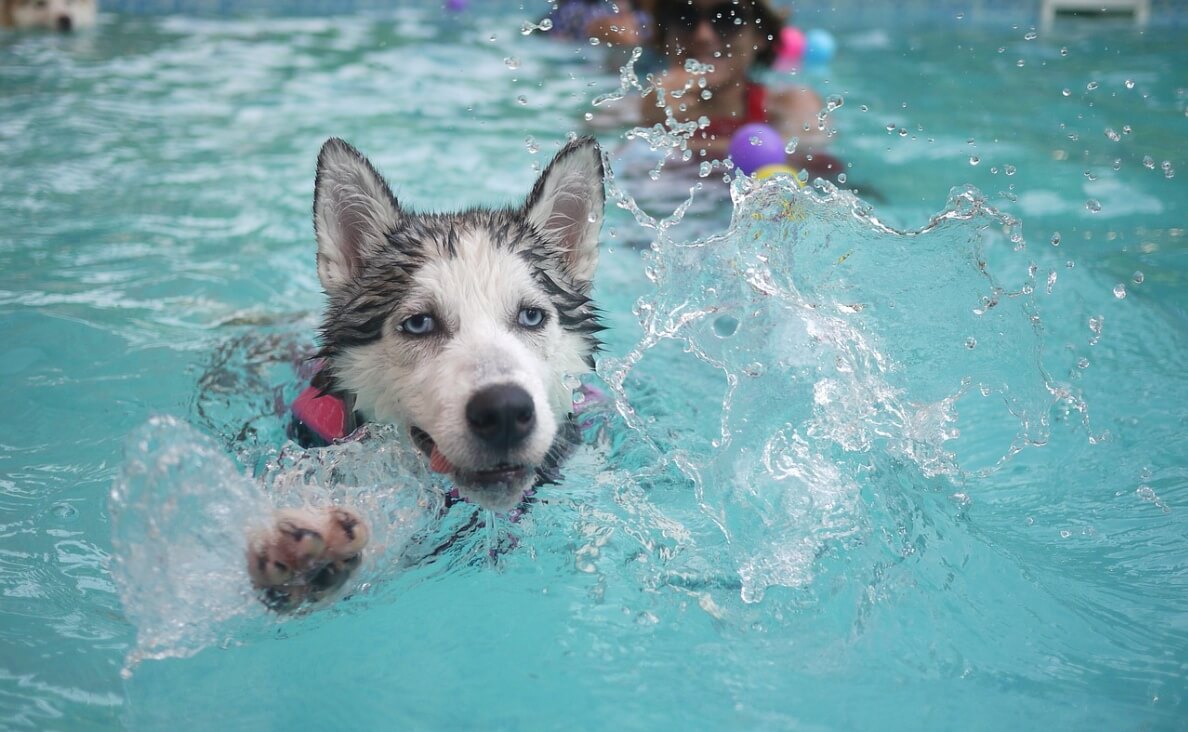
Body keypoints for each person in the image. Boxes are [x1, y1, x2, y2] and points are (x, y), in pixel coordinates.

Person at [641, 0, 842, 179]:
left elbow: (816, 164)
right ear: (665, 33)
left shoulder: (790, 104)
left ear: (760, 36)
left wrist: (663, 145)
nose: (703, 35)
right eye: (684, 16)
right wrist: (649, 122)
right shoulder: (641, 108)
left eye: (727, 17)